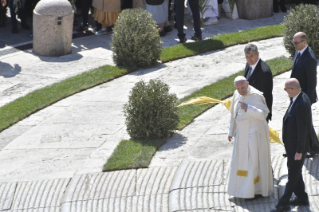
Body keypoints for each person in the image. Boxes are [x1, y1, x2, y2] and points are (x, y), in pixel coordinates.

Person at [271, 78, 314, 212]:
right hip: (292, 146)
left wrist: (299, 150)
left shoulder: (301, 104)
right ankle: (302, 197)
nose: (285, 92)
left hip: (296, 147)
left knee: (293, 174)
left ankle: (283, 203)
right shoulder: (300, 96)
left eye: (286, 89)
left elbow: (303, 130)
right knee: (295, 171)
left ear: (292, 89)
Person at [227, 76, 273, 199]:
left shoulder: (256, 96)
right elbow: (234, 115)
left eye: (243, 87)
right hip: (241, 134)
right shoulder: (236, 94)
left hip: (254, 135)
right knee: (240, 162)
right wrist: (231, 131)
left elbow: (263, 114)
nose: (241, 90)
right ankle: (240, 191)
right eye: (238, 88)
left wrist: (249, 108)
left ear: (247, 84)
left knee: (253, 162)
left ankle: (254, 190)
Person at [290, 32, 319, 157]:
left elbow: (312, 82)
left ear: (304, 42)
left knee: (305, 122)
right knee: (298, 121)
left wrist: (306, 100)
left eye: (296, 43)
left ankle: (314, 147)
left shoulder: (310, 59)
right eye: (293, 42)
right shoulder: (299, 51)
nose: (294, 45)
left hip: (303, 97)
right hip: (295, 94)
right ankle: (302, 146)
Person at [243, 44, 273, 122]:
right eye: (247, 57)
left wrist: (265, 116)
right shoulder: (248, 65)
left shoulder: (264, 72)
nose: (249, 59)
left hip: (259, 113)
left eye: (251, 56)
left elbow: (267, 95)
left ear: (257, 54)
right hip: (249, 110)